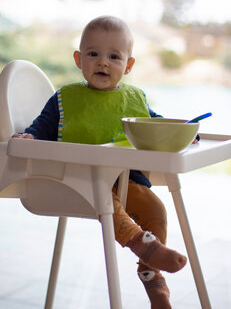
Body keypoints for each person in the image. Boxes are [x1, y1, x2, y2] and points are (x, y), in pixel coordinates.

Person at [13, 16, 189, 309]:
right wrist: (30, 137)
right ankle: (145, 247)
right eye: (93, 54)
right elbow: (42, 126)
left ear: (128, 66)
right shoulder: (65, 98)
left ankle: (151, 274)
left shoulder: (135, 98)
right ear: (78, 59)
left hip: (124, 180)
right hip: (77, 182)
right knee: (112, 206)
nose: (103, 63)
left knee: (155, 208)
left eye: (113, 56)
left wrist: (182, 134)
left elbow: (154, 125)